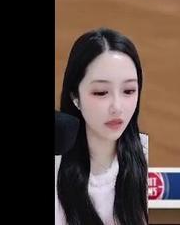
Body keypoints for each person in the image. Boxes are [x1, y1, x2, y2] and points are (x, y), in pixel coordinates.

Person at [56, 28, 149, 225]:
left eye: (129, 91)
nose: (117, 107)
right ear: (75, 97)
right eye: (100, 92)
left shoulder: (145, 158)